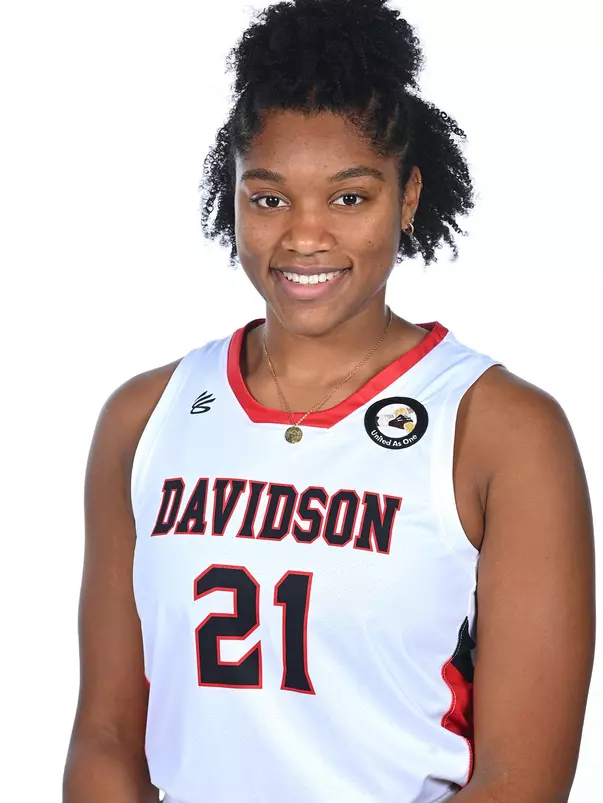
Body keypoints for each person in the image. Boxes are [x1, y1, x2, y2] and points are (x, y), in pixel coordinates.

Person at [62, 1, 595, 801]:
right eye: (268, 198)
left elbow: (519, 782)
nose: (304, 236)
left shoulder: (500, 431)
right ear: (231, 195)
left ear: (406, 198)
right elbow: (106, 734)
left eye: (349, 198)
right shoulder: (144, 417)